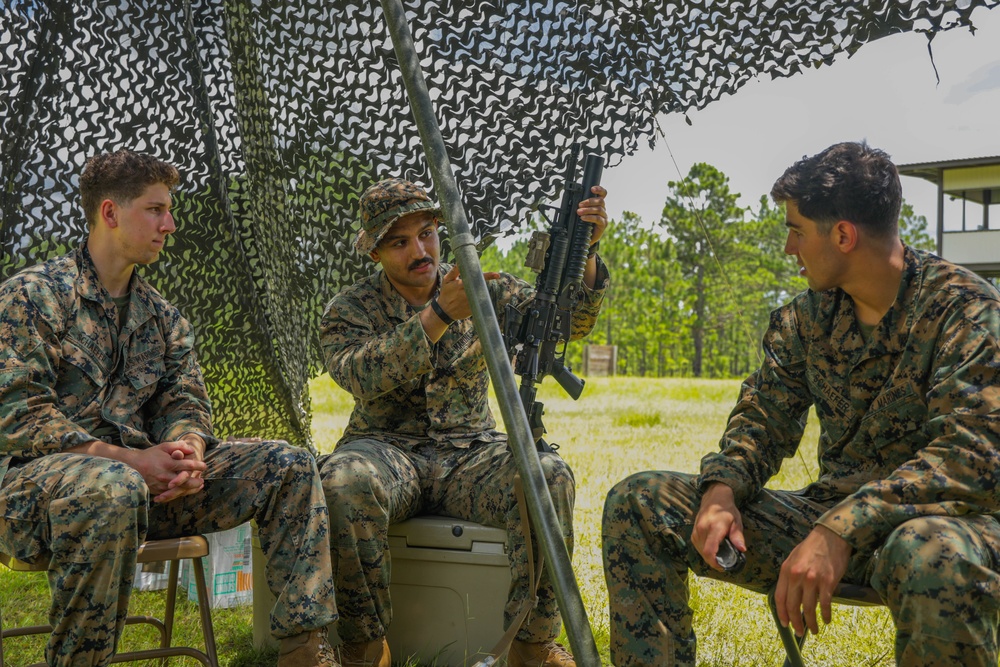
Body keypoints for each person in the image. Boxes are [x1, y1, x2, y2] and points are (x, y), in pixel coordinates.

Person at [602, 141, 1000, 666]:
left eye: (796, 230)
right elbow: (763, 415)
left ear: (842, 235)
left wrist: (842, 528)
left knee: (932, 556)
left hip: (946, 527)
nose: (789, 248)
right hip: (828, 522)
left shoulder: (965, 310)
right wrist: (722, 491)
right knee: (641, 501)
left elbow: (967, 459)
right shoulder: (808, 318)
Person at [0, 150, 340, 667]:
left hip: (143, 489)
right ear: (110, 213)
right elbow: (19, 418)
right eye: (156, 210)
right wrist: (133, 461)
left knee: (288, 465)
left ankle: (304, 652)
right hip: (34, 494)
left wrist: (187, 452)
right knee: (112, 487)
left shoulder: (162, 317)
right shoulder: (32, 298)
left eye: (169, 210)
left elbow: (185, 401)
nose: (170, 224)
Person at [318, 177, 611, 667]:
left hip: (470, 454)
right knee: (341, 480)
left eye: (428, 233)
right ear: (374, 252)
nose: (420, 250)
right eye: (399, 241)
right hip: (385, 450)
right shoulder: (349, 309)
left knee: (548, 475)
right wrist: (437, 316)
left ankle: (533, 645)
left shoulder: (481, 286)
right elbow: (360, 374)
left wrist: (587, 253)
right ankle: (364, 648)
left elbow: (568, 323)